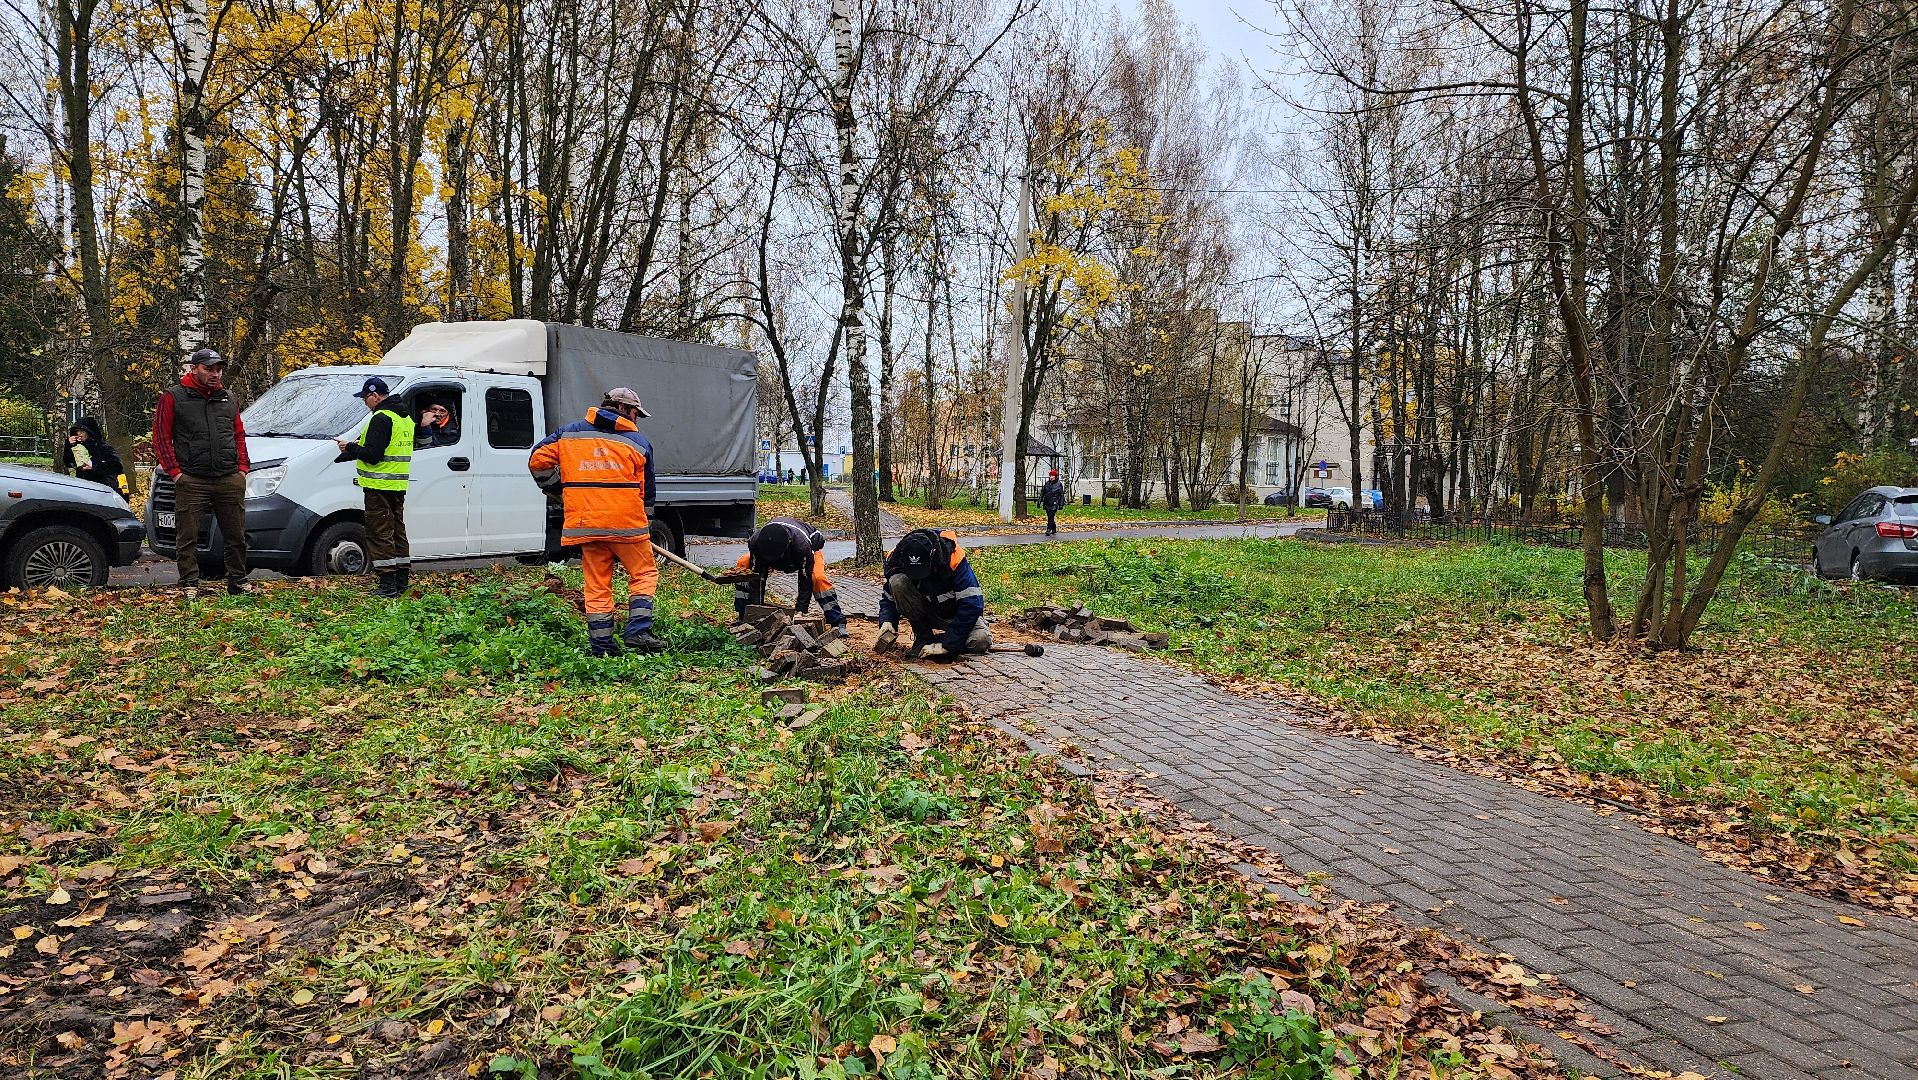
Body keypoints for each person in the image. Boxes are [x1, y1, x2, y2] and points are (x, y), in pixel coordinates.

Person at [529, 387, 663, 656]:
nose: (636, 420)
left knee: (597, 583)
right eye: (636, 413)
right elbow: (645, 492)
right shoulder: (638, 443)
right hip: (627, 525)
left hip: (586, 523)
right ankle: (638, 632)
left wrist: (560, 491)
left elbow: (537, 461)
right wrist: (644, 523)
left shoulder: (568, 434)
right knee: (644, 573)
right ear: (625, 410)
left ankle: (602, 646)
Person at [152, 347, 250, 599]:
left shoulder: (228, 398)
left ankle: (238, 580)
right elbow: (161, 438)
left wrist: (242, 469)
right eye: (209, 369)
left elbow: (238, 435)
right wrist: (175, 473)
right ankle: (189, 583)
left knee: (236, 534)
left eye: (218, 369)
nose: (215, 374)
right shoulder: (173, 397)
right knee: (188, 535)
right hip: (191, 478)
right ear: (193, 369)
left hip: (228, 476)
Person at [334, 376, 414, 597]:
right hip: (397, 485)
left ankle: (387, 586)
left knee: (380, 534)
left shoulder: (381, 418)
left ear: (375, 396)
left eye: (365, 399)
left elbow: (373, 455)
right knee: (398, 532)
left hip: (379, 486)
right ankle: (401, 583)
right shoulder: (404, 417)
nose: (364, 403)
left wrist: (349, 446)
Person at [874, 527, 989, 659]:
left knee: (980, 641)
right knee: (897, 581)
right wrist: (887, 621)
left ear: (933, 556)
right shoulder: (897, 558)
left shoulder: (953, 559)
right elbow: (888, 598)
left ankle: (944, 640)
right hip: (927, 615)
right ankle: (924, 638)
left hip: (957, 616)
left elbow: (972, 606)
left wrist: (946, 645)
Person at [731, 517, 846, 630]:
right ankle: (743, 615)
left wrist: (800, 612)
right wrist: (756, 611)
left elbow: (805, 581)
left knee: (817, 578)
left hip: (809, 550)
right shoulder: (755, 542)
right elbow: (757, 578)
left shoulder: (802, 546)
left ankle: (837, 620)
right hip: (771, 552)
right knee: (744, 566)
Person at [66, 417, 128, 500]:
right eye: (77, 431)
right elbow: (68, 462)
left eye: (82, 431)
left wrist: (94, 467)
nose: (79, 434)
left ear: (89, 432)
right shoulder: (78, 447)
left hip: (104, 491)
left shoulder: (103, 448)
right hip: (83, 490)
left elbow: (117, 466)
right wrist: (69, 445)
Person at [1040, 469, 1067, 537]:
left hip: (1054, 502)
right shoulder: (1047, 483)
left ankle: (1048, 529)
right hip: (1047, 502)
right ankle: (1054, 528)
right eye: (1050, 475)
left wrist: (1061, 504)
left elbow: (1061, 495)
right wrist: (1039, 500)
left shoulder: (1059, 484)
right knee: (1049, 516)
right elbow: (1042, 492)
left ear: (1055, 476)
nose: (1051, 477)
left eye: (1052, 475)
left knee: (1051, 516)